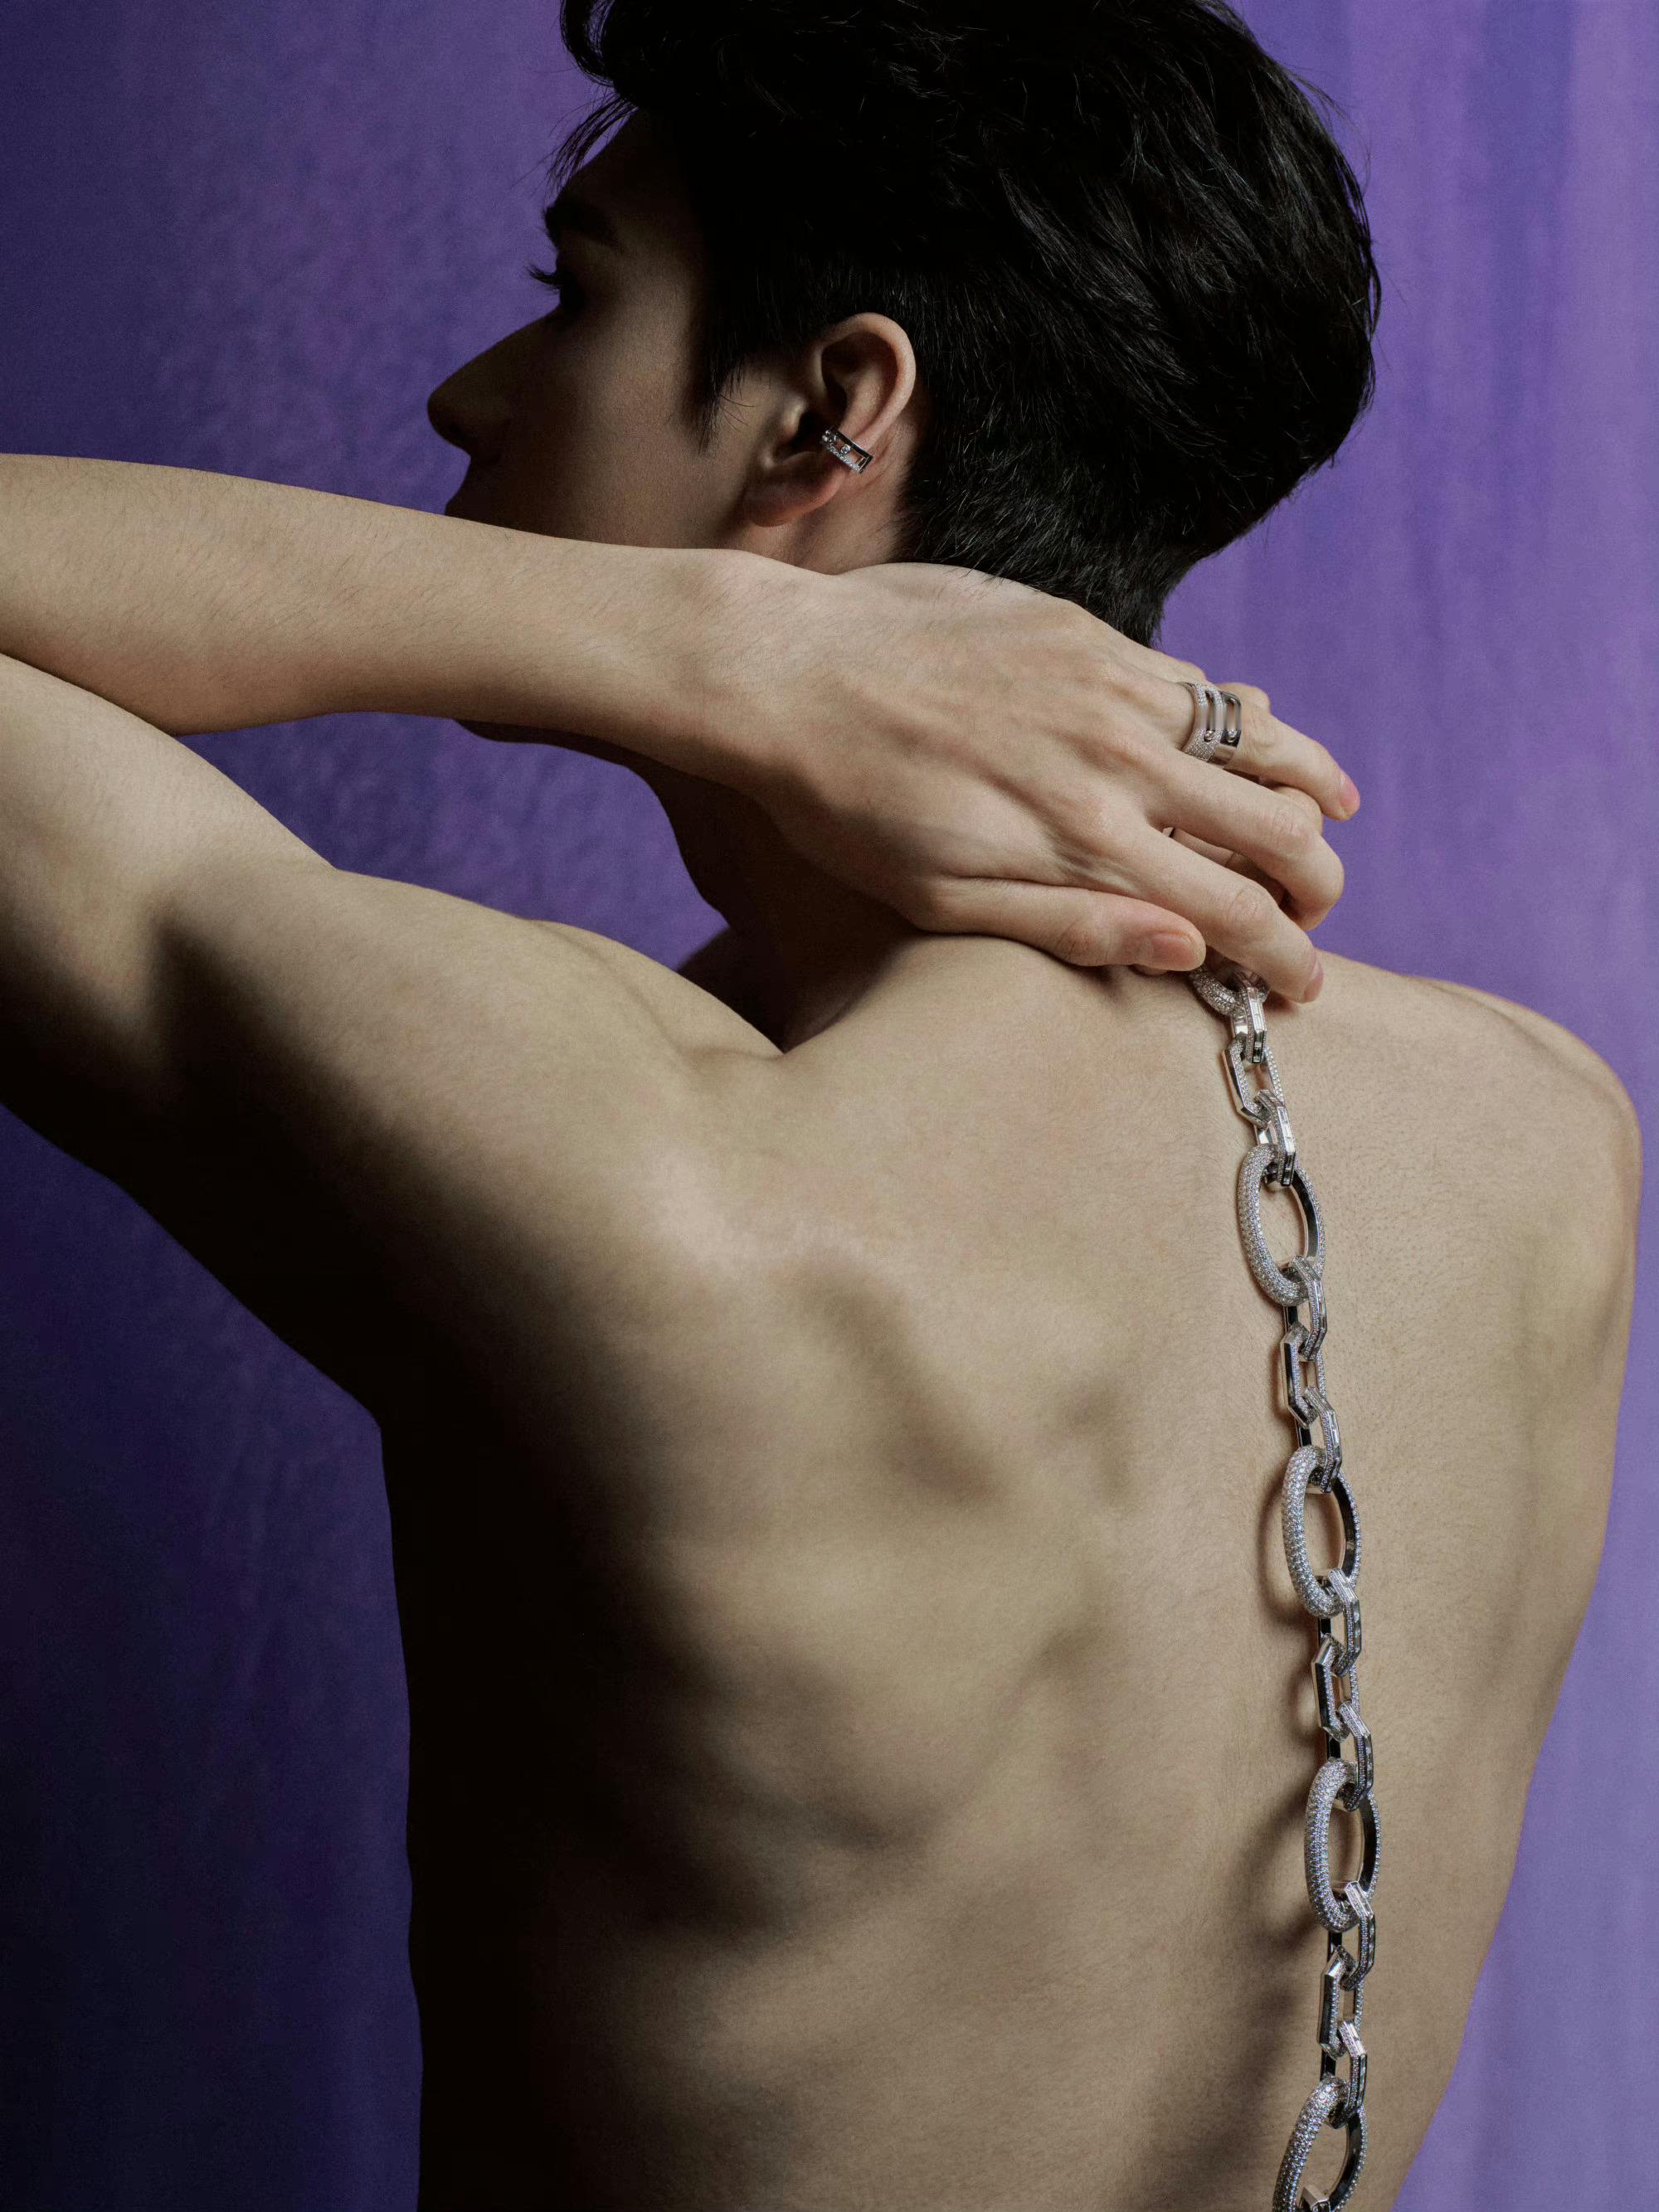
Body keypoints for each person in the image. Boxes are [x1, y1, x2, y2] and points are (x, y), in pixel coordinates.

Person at [0, 0, 1638, 2205]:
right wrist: (760, 638)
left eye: (574, 295)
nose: (471, 389)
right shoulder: (1545, 1142)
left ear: (832, 414)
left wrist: (703, 642)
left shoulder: (643, 1171)